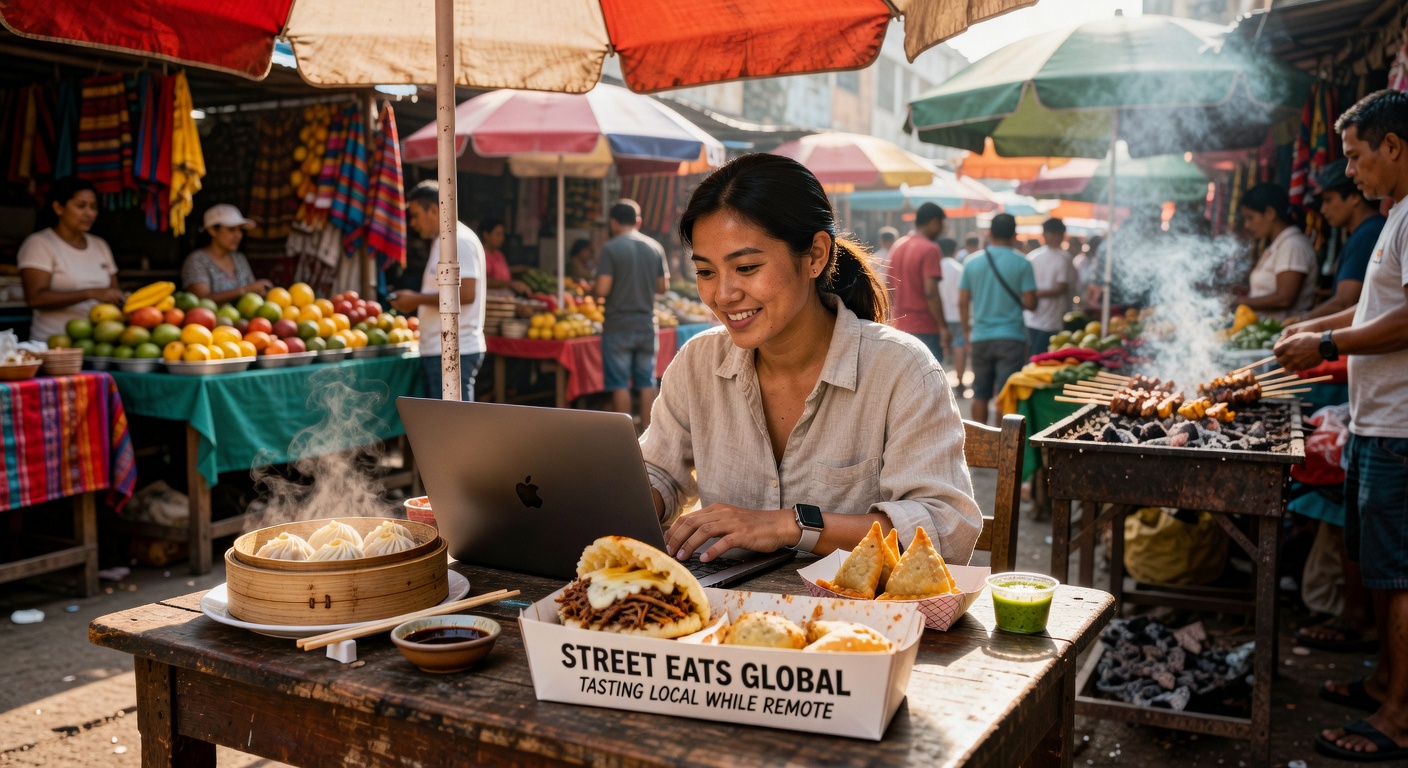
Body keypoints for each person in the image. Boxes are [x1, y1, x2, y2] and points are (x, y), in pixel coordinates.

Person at [646, 153, 980, 565]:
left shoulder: (901, 371)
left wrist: (791, 525)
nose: (723, 294)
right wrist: (632, 497)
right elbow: (659, 472)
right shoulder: (698, 362)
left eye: (747, 267)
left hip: (858, 621)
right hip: (720, 615)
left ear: (816, 256)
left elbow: (945, 529)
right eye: (706, 272)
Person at [1272, 89, 1408, 761]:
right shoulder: (1396, 216)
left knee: (1401, 574)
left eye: (1356, 156)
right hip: (1379, 419)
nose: (1347, 171)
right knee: (1381, 571)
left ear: (1394, 146)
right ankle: (1385, 681)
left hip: (1402, 428)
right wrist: (1314, 326)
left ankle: (1400, 719)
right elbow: (1369, 312)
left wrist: (1327, 347)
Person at [390, 181, 486, 401]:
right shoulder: (444, 240)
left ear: (433, 210)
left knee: (454, 427)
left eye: (415, 215)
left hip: (453, 350)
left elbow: (467, 294)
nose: (413, 223)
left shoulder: (458, 240)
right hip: (441, 349)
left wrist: (417, 300)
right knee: (448, 425)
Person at [19, 177, 123, 343]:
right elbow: (35, 298)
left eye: (93, 207)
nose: (89, 213)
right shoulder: (40, 244)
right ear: (58, 208)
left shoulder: (100, 245)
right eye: (81, 206)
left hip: (96, 345)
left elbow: (113, 292)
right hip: (52, 345)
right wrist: (90, 293)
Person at [595, 199, 669, 430]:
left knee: (619, 383)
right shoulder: (655, 247)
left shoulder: (611, 248)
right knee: (646, 380)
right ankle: (649, 436)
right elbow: (663, 288)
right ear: (638, 221)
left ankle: (624, 436)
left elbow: (602, 289)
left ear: (614, 222)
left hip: (618, 325)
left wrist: (593, 287)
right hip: (647, 323)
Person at [960, 213, 1036, 425]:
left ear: (989, 233)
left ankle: (982, 448)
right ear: (1014, 235)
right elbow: (1031, 303)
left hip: (981, 337)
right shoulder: (1023, 263)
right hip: (1012, 338)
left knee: (980, 393)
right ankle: (1003, 447)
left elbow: (962, 301)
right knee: (1005, 396)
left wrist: (967, 334)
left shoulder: (971, 262)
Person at [1291, 159, 1387, 325]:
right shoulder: (1365, 230)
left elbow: (1344, 302)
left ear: (1354, 197)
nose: (1322, 209)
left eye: (1328, 200)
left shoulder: (1367, 233)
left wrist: (1300, 322)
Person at [1239, 183, 1318, 319]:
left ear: (1270, 213)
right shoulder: (1277, 245)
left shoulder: (1292, 245)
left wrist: (1239, 302)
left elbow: (1284, 299)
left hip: (1283, 333)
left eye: (1250, 217)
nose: (1247, 225)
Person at [888, 203, 951, 363]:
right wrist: (943, 327)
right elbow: (930, 292)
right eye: (941, 225)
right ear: (934, 222)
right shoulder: (930, 248)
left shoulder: (898, 246)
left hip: (899, 326)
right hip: (924, 327)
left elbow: (889, 288)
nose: (942, 231)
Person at [180, 204, 273, 304]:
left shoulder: (239, 258)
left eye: (240, 229)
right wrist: (244, 290)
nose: (239, 235)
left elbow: (253, 293)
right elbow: (201, 300)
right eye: (232, 229)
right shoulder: (197, 260)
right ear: (212, 230)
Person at [1024, 218, 1076, 355]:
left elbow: (1062, 287)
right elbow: (1062, 288)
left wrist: (1035, 294)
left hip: (1035, 318)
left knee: (1034, 357)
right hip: (1051, 319)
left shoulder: (1032, 257)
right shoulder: (1064, 257)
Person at [937, 237, 967, 391]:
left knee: (940, 348)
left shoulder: (935, 268)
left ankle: (939, 385)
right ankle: (960, 381)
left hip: (939, 315)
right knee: (959, 347)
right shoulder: (959, 269)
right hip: (958, 315)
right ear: (955, 251)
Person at [478, 217, 530, 295]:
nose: (502, 238)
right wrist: (510, 284)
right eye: (498, 234)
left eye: (502, 234)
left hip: (505, 298)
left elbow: (501, 273)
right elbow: (482, 281)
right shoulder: (480, 255)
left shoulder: (499, 255)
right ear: (486, 235)